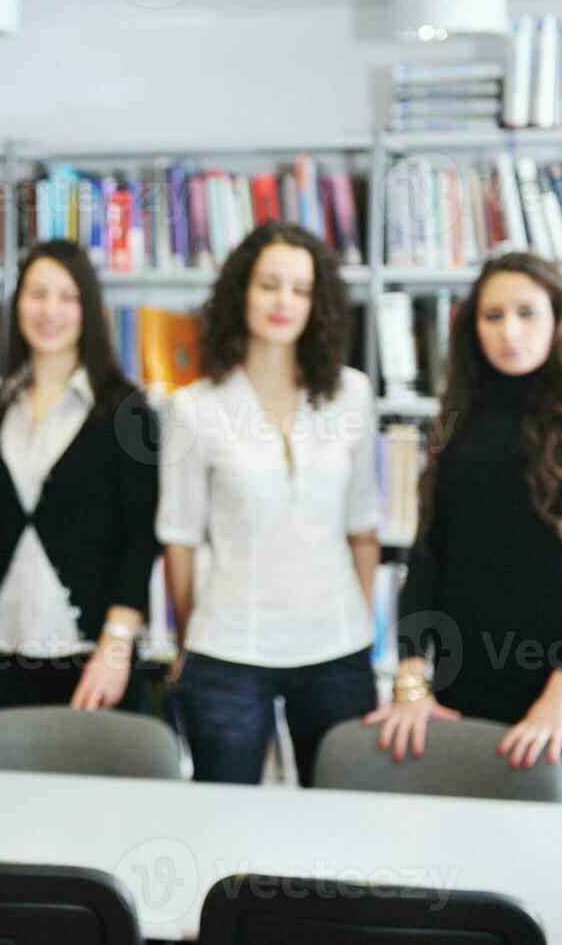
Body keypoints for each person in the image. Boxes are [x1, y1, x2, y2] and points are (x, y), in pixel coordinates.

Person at [367, 252, 562, 806]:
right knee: (465, 861)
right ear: (473, 327)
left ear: (559, 318)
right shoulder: (456, 418)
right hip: (460, 687)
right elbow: (425, 561)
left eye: (527, 313)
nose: (509, 331)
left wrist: (561, 695)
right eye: (492, 316)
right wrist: (411, 680)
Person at [156, 221, 381, 787]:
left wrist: (355, 620)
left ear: (318, 303)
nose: (285, 301)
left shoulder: (351, 393)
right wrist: (188, 641)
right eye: (269, 285)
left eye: (301, 290)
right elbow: (180, 540)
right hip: (228, 648)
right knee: (225, 828)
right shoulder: (193, 408)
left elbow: (362, 529)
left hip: (336, 646)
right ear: (241, 293)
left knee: (341, 826)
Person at [0, 239, 159, 716]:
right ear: (18, 305)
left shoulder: (127, 410)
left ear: (88, 309)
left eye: (67, 296)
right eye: (37, 294)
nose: (50, 310)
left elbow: (140, 538)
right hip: (1, 649)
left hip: (90, 654)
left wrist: (116, 646)